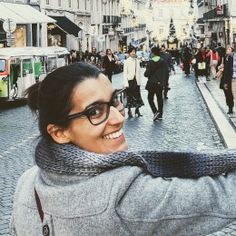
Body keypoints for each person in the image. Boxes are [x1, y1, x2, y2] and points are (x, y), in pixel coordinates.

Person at [11, 62, 236, 236]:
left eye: (115, 100)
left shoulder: (27, 182)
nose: (119, 117)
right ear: (59, 132)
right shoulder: (125, 196)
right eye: (95, 112)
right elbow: (226, 194)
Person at [144, 46, 169, 121]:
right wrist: (164, 83)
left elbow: (146, 74)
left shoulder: (150, 62)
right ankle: (160, 114)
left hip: (152, 83)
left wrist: (146, 73)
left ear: (153, 53)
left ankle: (155, 112)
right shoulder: (163, 61)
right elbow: (166, 74)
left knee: (150, 98)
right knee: (159, 99)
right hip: (160, 83)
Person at [123, 47, 144, 118]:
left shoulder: (137, 61)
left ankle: (137, 110)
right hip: (130, 81)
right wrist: (126, 83)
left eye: (134, 52)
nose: (133, 53)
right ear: (129, 53)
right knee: (129, 96)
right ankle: (129, 111)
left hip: (136, 81)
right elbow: (125, 73)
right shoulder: (126, 61)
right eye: (132, 52)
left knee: (137, 96)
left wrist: (139, 82)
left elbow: (139, 72)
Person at [220, 45, 234, 114]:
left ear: (232, 51)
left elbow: (230, 70)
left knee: (229, 93)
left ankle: (230, 107)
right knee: (226, 93)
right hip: (225, 77)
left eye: (229, 49)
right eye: (227, 49)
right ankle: (229, 106)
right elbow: (225, 68)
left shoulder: (231, 58)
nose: (227, 50)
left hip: (229, 79)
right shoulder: (226, 57)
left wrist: (226, 81)